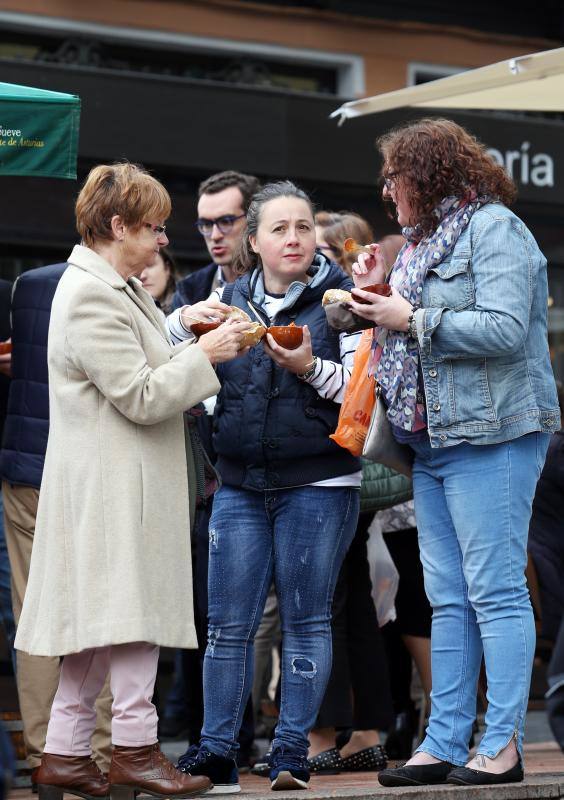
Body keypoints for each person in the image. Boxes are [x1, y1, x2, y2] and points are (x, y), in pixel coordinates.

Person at [14, 161, 252, 800]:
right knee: (135, 621)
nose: (162, 240)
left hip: (118, 486)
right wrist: (208, 354)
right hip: (115, 491)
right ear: (117, 226)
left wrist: (189, 338)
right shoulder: (93, 291)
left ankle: (63, 756)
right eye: (153, 227)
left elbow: (138, 376)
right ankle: (136, 751)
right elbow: (140, 395)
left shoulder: (112, 285)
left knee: (105, 625)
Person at [346, 118, 560, 787]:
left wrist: (410, 316)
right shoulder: (420, 241)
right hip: (430, 439)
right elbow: (408, 331)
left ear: (428, 174)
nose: (387, 192)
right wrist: (380, 291)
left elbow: (501, 328)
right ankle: (442, 742)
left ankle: (501, 746)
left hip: (492, 433)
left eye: (393, 178)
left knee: (494, 591)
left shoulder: (495, 229)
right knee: (446, 597)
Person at [170, 180, 361, 792]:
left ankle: (290, 753)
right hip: (240, 484)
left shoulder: (344, 302)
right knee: (228, 624)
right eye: (279, 229)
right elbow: (181, 368)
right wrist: (190, 337)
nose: (295, 238)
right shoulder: (229, 303)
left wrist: (308, 367)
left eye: (303, 226)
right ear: (253, 242)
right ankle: (217, 749)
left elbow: (362, 397)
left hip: (321, 481)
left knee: (306, 620)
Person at [0, 264, 114, 785]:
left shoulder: (30, 285)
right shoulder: (109, 289)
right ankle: (104, 752)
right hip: (86, 468)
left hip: (25, 468)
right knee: (110, 615)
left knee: (35, 614)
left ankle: (45, 754)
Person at [307, 214, 393, 775]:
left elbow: (354, 381)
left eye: (315, 247)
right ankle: (366, 728)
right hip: (350, 467)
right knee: (351, 598)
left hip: (340, 464)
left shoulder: (345, 303)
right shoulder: (357, 298)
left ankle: (322, 735)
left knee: (324, 598)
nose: (302, 254)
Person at [170, 170, 261, 311]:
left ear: (253, 221)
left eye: (225, 221)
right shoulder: (188, 291)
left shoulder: (283, 283)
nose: (214, 235)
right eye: (206, 224)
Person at [139, 247, 178, 315]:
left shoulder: (189, 302)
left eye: (150, 265)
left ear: (167, 269)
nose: (142, 276)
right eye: (136, 266)